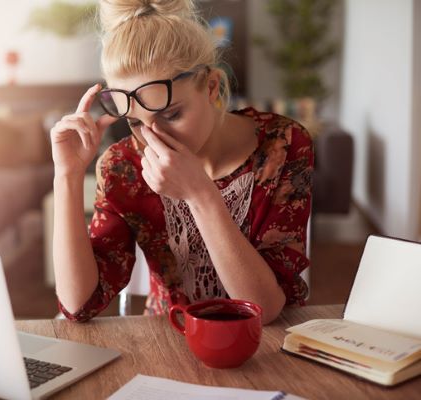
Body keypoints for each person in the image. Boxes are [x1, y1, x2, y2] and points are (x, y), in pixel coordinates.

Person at [50, 0, 313, 325]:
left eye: (171, 114)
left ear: (212, 88)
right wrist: (67, 175)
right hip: (169, 340)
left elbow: (265, 309)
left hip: (268, 350)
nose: (154, 138)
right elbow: (79, 305)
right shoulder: (124, 166)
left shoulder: (282, 145)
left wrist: (200, 195)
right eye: (135, 122)